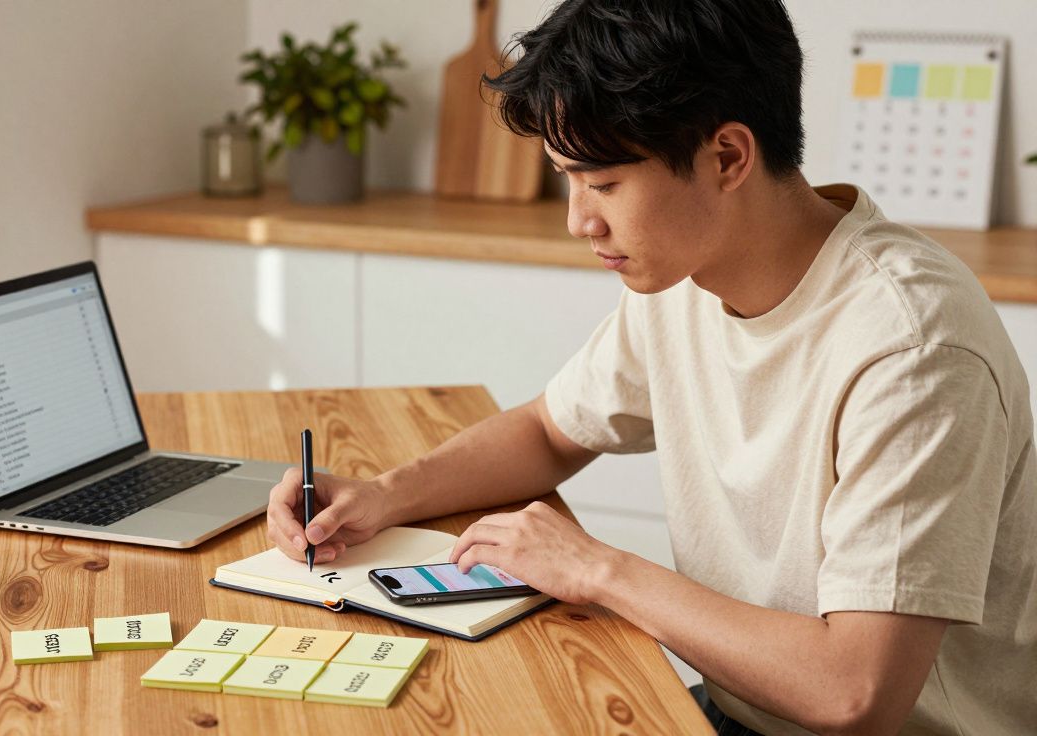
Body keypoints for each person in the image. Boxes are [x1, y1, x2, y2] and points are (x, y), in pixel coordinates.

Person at [264, 1, 1036, 733]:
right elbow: (550, 430)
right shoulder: (687, 274)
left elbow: (853, 693)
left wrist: (598, 571)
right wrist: (383, 494)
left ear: (727, 156)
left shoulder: (913, 347)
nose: (579, 220)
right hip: (741, 711)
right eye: (568, 179)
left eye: (603, 183)